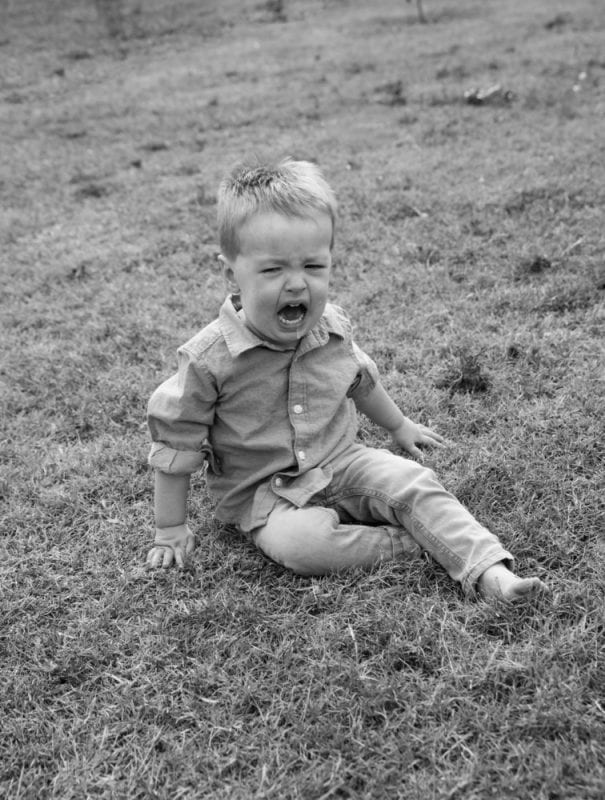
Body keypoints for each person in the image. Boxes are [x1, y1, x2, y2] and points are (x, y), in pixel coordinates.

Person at [145, 157, 547, 601]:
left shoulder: (331, 328)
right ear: (232, 276)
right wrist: (171, 528)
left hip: (341, 459)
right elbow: (176, 445)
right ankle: (418, 546)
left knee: (414, 481)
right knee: (304, 546)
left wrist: (398, 426)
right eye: (273, 270)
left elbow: (359, 379)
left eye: (313, 267)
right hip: (263, 494)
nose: (297, 284)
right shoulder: (208, 360)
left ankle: (490, 571)